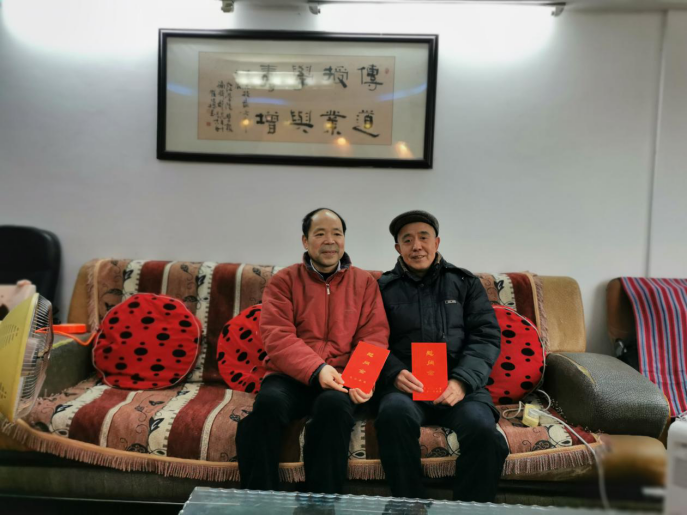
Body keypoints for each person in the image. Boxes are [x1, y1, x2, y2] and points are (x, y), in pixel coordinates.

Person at [237, 208, 389, 494]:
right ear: (305, 241)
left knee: (334, 410)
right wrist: (317, 369)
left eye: (337, 234)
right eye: (320, 234)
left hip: (341, 378)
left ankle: (321, 504)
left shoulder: (364, 282)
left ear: (344, 239)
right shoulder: (284, 280)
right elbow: (277, 335)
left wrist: (362, 377)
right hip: (289, 376)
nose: (330, 241)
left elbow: (374, 336)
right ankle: (259, 501)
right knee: (267, 407)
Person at [375, 210, 508, 502]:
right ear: (398, 248)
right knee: (392, 416)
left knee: (483, 431)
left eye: (423, 237)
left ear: (436, 242)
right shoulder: (382, 288)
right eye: (407, 240)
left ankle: (468, 509)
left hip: (460, 385)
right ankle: (410, 505)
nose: (416, 246)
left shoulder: (464, 282)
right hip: (407, 386)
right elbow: (370, 339)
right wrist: (394, 373)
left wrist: (462, 381)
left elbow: (486, 336)